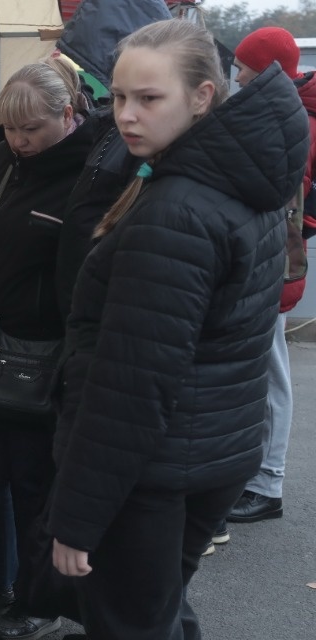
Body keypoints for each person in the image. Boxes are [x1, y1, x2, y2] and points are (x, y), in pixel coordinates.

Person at [49, 19, 309, 640]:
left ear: (202, 97)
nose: (126, 116)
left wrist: (78, 517)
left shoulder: (178, 210)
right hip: (210, 450)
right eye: (117, 97)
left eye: (148, 98)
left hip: (154, 470)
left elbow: (132, 385)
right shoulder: (237, 177)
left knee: (134, 623)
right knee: (159, 613)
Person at [0, 56, 101, 639]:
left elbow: (85, 271)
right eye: (9, 128)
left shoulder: (93, 172)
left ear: (67, 113)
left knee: (34, 485)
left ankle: (36, 601)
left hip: (41, 355)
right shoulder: (0, 162)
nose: (19, 141)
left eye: (30, 129)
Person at [218, 26, 316, 530]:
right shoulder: (290, 113)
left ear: (267, 69)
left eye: (243, 66)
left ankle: (269, 483)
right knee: (263, 373)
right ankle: (259, 478)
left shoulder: (293, 120)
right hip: (272, 264)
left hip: (273, 267)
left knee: (272, 376)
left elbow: (286, 205)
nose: (235, 75)